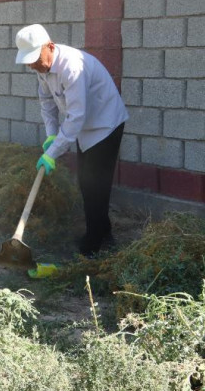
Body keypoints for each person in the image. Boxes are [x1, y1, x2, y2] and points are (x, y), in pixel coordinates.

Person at [16, 24, 129, 257]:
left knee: (95, 185)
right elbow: (47, 103)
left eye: (35, 59)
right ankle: (103, 233)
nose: (33, 66)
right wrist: (50, 134)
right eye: (29, 62)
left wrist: (52, 152)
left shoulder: (72, 67)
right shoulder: (43, 68)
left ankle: (94, 245)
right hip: (85, 128)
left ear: (50, 46)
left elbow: (76, 116)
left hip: (105, 125)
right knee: (86, 182)